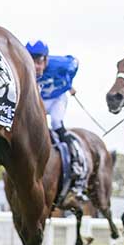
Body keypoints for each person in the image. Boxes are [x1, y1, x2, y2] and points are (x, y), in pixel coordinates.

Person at [26, 40, 86, 201]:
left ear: (46, 59)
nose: (36, 67)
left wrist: (69, 83)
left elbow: (75, 62)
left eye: (39, 62)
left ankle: (75, 162)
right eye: (32, 61)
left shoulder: (60, 64)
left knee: (56, 123)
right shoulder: (25, 68)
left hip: (57, 100)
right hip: (41, 100)